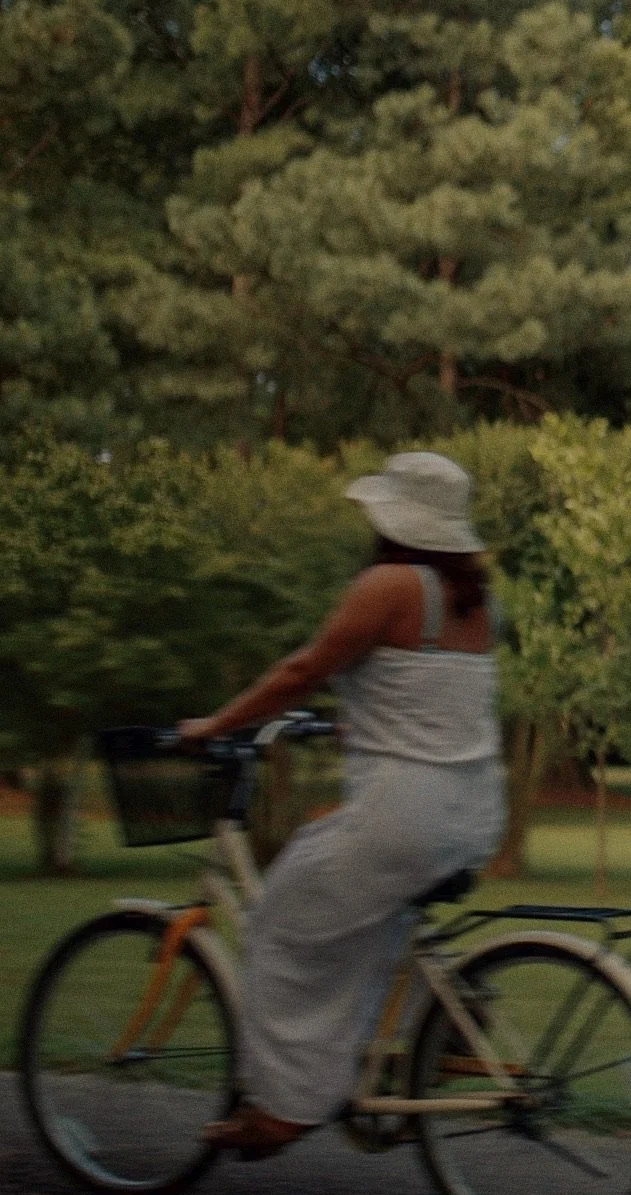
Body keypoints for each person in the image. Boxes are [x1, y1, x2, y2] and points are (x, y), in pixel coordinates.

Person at [180, 451, 506, 1158]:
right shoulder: (476, 601)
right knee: (363, 919)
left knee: (277, 926)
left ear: (394, 520)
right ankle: (424, 1029)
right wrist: (346, 722)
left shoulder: (388, 583)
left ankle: (284, 1108)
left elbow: (303, 669)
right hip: (473, 812)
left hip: (401, 816)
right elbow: (426, 701)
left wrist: (215, 726)